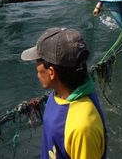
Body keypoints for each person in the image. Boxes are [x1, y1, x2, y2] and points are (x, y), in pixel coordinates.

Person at [20, 27, 107, 159]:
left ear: (51, 73)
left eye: (38, 62)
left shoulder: (83, 127)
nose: (36, 70)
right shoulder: (58, 94)